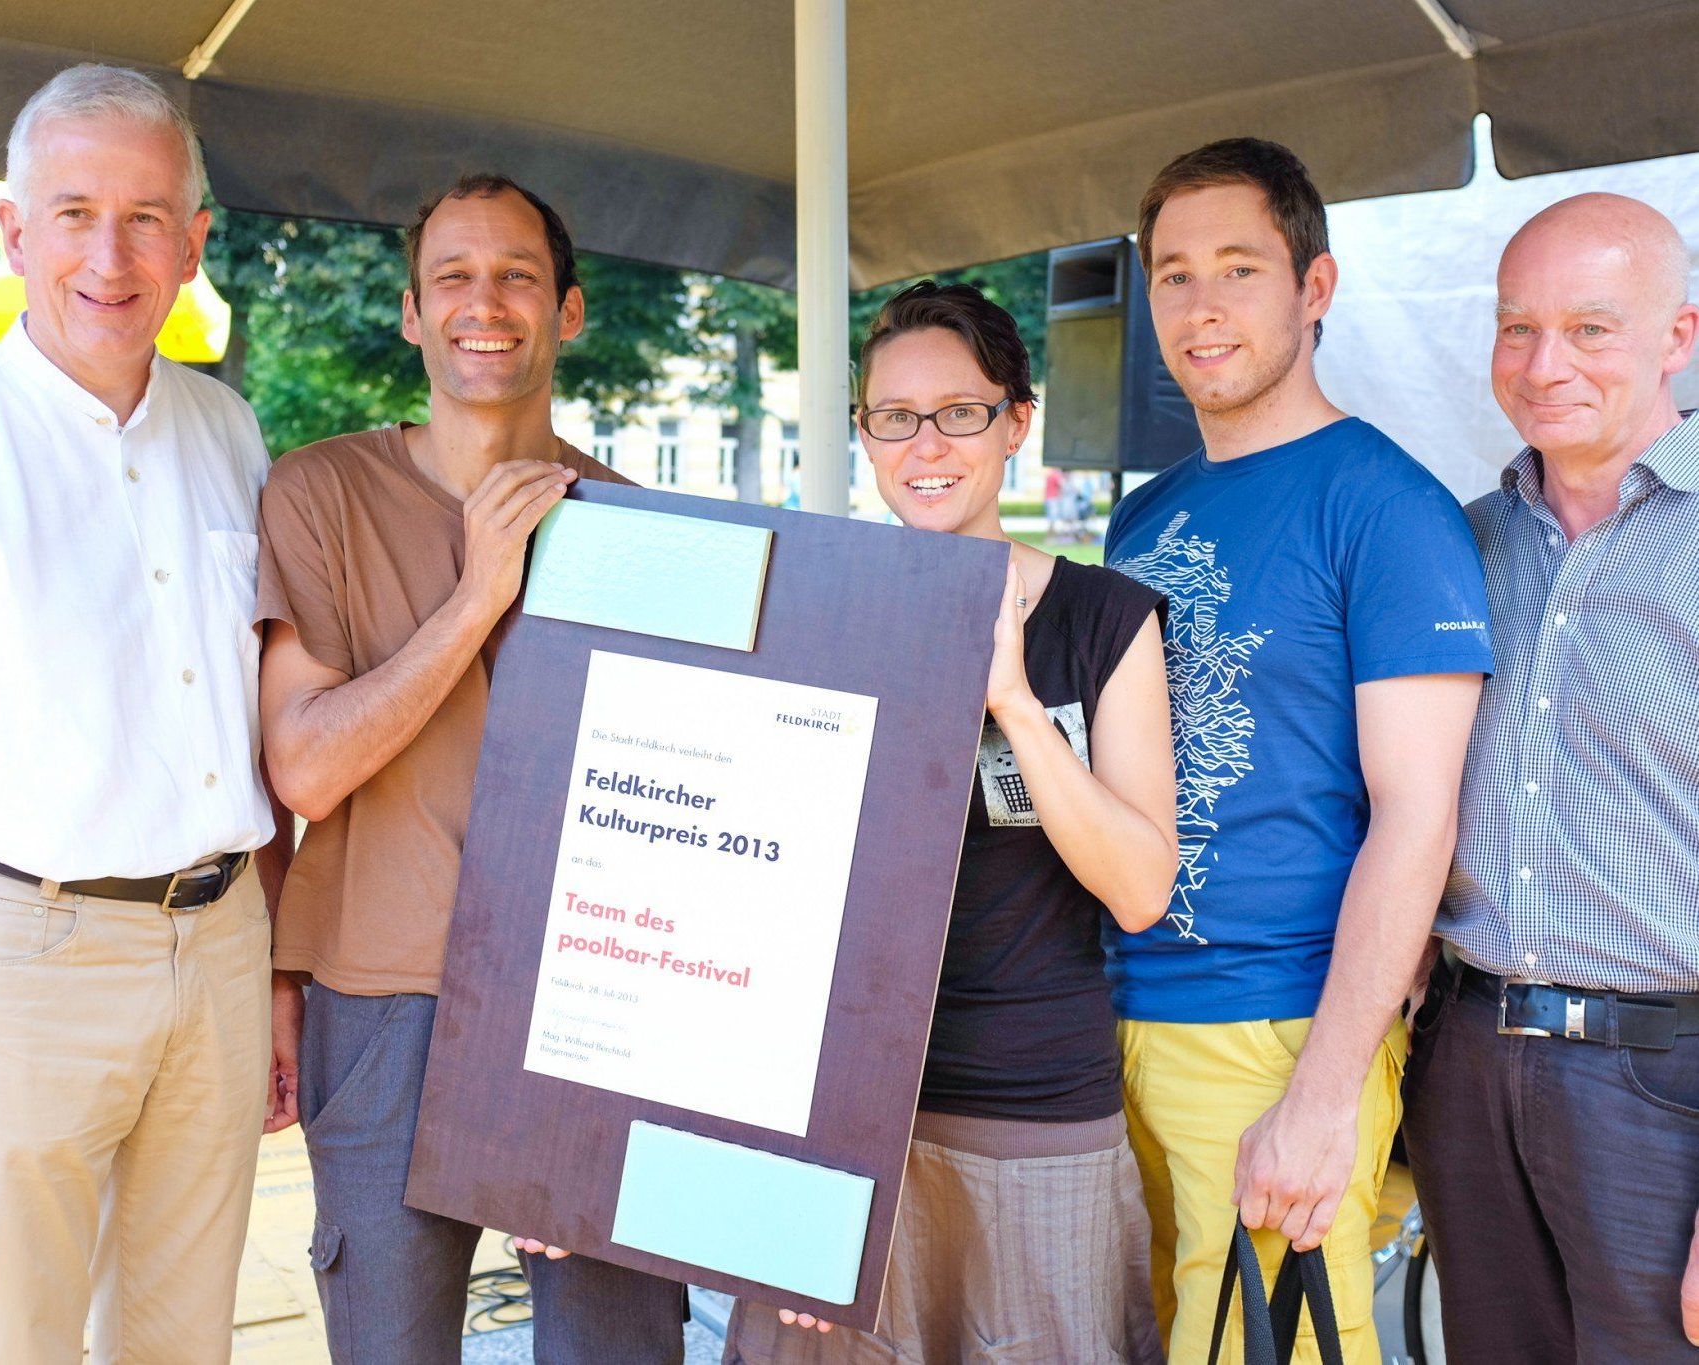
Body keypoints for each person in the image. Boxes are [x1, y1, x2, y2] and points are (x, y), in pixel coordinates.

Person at [0, 65, 295, 1363]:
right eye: (72, 214)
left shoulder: (232, 433)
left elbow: (259, 733)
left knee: (188, 1343)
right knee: (6, 1344)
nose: (110, 256)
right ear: (14, 232)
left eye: (144, 216)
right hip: (16, 960)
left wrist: (275, 983)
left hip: (221, 943)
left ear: (193, 241)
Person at [255, 172, 686, 1364]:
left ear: (570, 311)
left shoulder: (646, 523)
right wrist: (482, 588)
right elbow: (304, 768)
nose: (482, 303)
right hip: (381, 1000)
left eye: (516, 277)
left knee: (619, 1343)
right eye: (451, 276)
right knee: (390, 1343)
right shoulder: (319, 493)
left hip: (600, 1002)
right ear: (409, 311)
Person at [726, 281, 1177, 1363]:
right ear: (861, 433)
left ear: (1015, 421)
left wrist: (1015, 706)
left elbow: (1139, 887)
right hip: (835, 1120)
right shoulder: (811, 610)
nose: (925, 443)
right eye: (894, 416)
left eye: (960, 411)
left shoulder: (1105, 618)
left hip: (1030, 1112)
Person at [1101, 138, 1491, 1364]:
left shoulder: (1387, 507)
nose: (1200, 306)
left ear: (1312, 289)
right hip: (1109, 1013)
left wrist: (1325, 1095)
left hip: (1274, 1029)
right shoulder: (1144, 512)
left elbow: (1416, 816)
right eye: (1172, 274)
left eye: (1236, 268)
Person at [1404, 193, 1699, 1363]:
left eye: (1588, 328)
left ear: (1677, 337)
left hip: (1661, 1082)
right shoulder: (1452, 544)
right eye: (1514, 326)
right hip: (1467, 1060)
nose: (1541, 364)